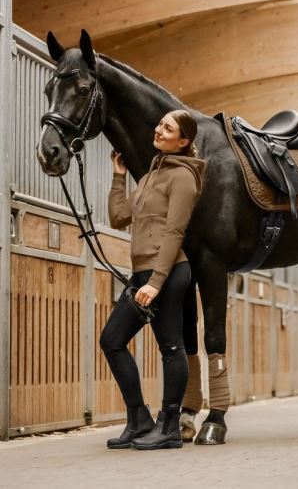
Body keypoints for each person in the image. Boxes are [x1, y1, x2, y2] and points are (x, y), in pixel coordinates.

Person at [99, 109, 207, 450]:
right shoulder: (149, 177)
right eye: (160, 124)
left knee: (171, 346)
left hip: (169, 272)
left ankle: (170, 425)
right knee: (112, 340)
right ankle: (139, 419)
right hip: (143, 273)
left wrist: (156, 282)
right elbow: (118, 217)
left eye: (168, 127)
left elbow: (175, 231)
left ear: (184, 140)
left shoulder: (185, 178)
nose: (159, 129)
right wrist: (119, 177)